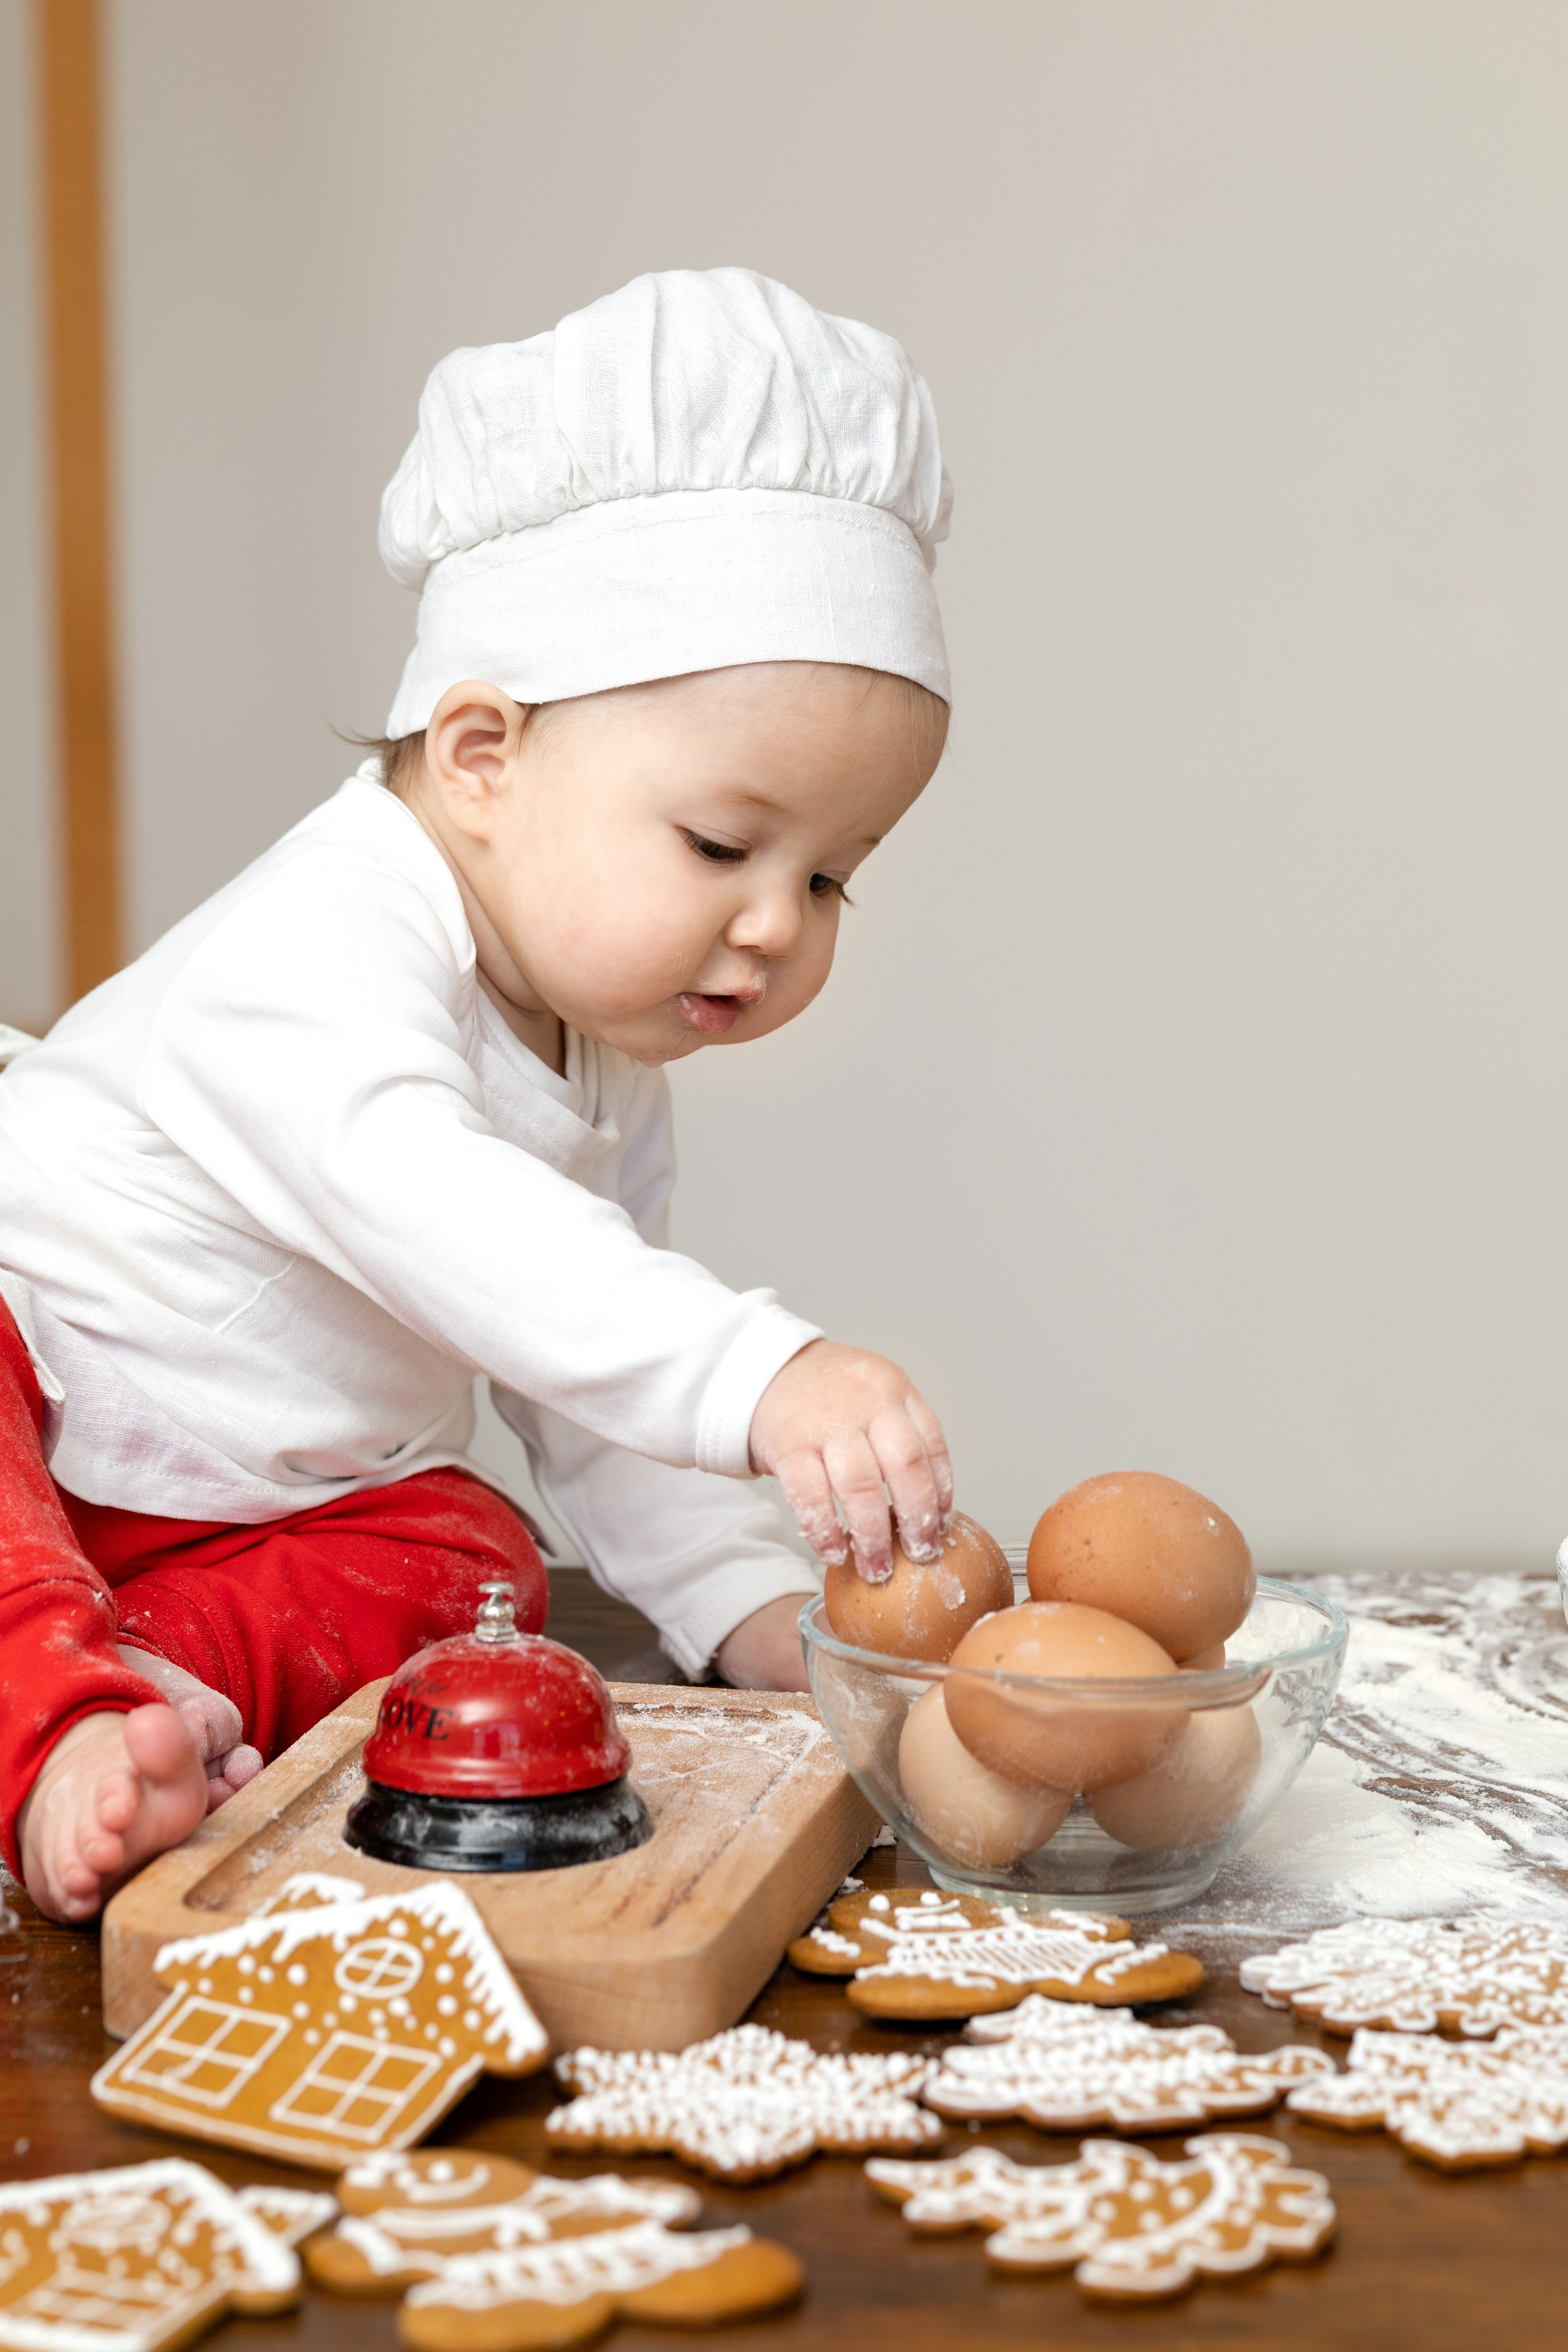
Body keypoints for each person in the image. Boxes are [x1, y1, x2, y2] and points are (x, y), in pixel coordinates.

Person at [0, 269, 956, 1925]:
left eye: (834, 878)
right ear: (484, 755)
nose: (775, 925)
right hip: (39, 1401)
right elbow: (458, 1224)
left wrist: (756, 1630)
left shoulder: (605, 1054)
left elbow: (584, 1386)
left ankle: (150, 1693)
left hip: (219, 1531)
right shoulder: (320, 950)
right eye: (725, 846)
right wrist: (761, 1371)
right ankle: (52, 1722)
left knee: (477, 1566)